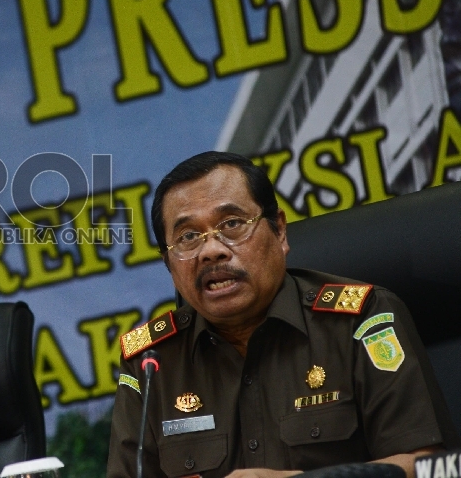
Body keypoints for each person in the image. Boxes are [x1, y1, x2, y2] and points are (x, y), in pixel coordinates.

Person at [107, 151, 459, 478]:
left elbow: (426, 466)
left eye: (232, 224)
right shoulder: (152, 363)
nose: (211, 251)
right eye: (188, 237)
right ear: (168, 263)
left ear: (280, 231)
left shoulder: (361, 320)